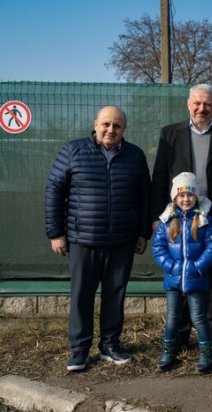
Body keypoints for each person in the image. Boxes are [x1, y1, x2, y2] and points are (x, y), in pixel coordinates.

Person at [45, 106, 152, 371]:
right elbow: (54, 192)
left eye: (117, 126)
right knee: (82, 295)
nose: (110, 130)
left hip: (122, 240)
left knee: (115, 295)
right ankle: (79, 351)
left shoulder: (135, 156)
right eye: (106, 124)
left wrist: (142, 233)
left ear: (123, 130)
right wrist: (56, 233)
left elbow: (144, 198)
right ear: (95, 124)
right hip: (83, 239)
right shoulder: (73, 151)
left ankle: (110, 346)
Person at [150, 84, 212, 356]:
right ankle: (179, 337)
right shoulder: (170, 134)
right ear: (188, 104)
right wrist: (157, 216)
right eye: (197, 103)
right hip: (178, 218)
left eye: (208, 104)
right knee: (180, 272)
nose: (202, 108)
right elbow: (160, 177)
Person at [153, 172, 212, 374]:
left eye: (190, 195)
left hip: (196, 279)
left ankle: (207, 354)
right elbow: (158, 248)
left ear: (196, 197)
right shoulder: (167, 221)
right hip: (173, 279)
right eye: (181, 196)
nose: (185, 199)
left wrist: (197, 267)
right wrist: (171, 266)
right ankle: (169, 352)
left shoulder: (204, 220)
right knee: (172, 316)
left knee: (199, 317)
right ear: (175, 197)